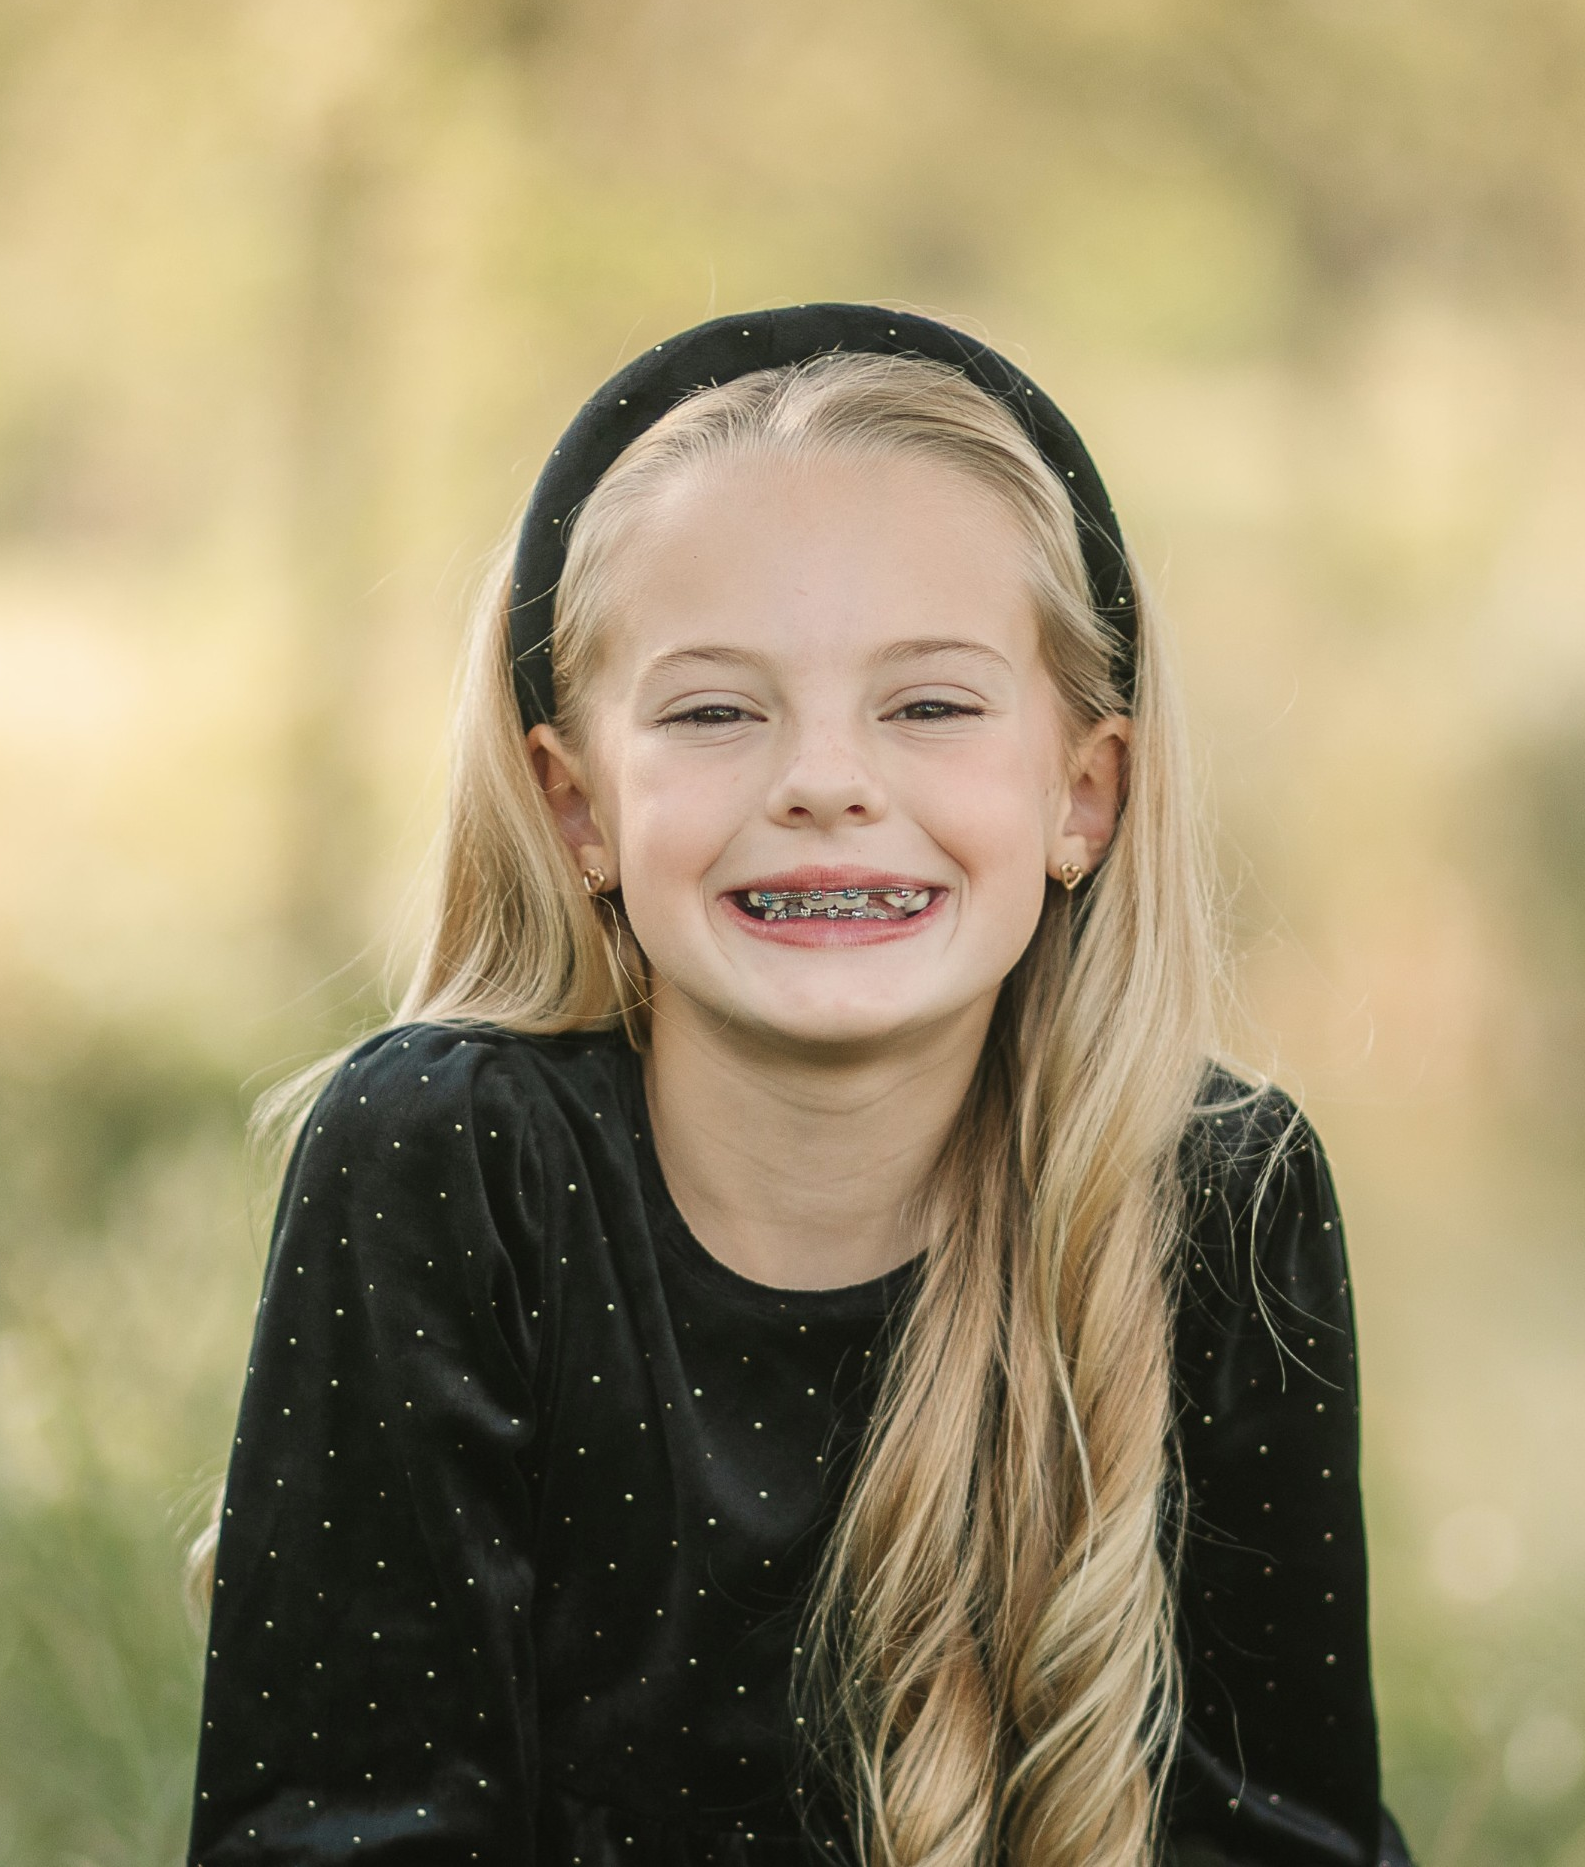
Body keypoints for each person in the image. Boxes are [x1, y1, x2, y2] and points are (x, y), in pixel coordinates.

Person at [186, 305, 1413, 1867]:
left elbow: (1278, 1837)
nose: (825, 780)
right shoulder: (447, 1159)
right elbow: (344, 1830)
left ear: (1084, 792)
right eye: (714, 710)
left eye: (930, 705)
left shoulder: (1215, 1193)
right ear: (577, 807)